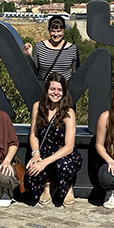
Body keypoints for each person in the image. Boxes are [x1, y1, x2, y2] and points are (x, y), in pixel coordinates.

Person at [25, 73, 83, 206]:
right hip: (44, 150)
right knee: (32, 172)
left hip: (63, 153)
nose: (55, 93)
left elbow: (69, 146)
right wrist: (36, 154)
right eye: (52, 89)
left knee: (63, 166)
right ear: (47, 90)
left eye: (59, 90)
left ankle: (68, 188)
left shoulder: (68, 112)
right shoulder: (37, 107)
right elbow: (33, 134)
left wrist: (44, 163)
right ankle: (48, 185)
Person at [22, 15, 79, 81]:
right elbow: (34, 72)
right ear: (49, 30)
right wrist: (29, 56)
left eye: (59, 31)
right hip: (45, 89)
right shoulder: (40, 47)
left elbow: (76, 74)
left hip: (64, 89)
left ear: (64, 30)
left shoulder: (72, 49)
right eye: (53, 31)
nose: (56, 34)